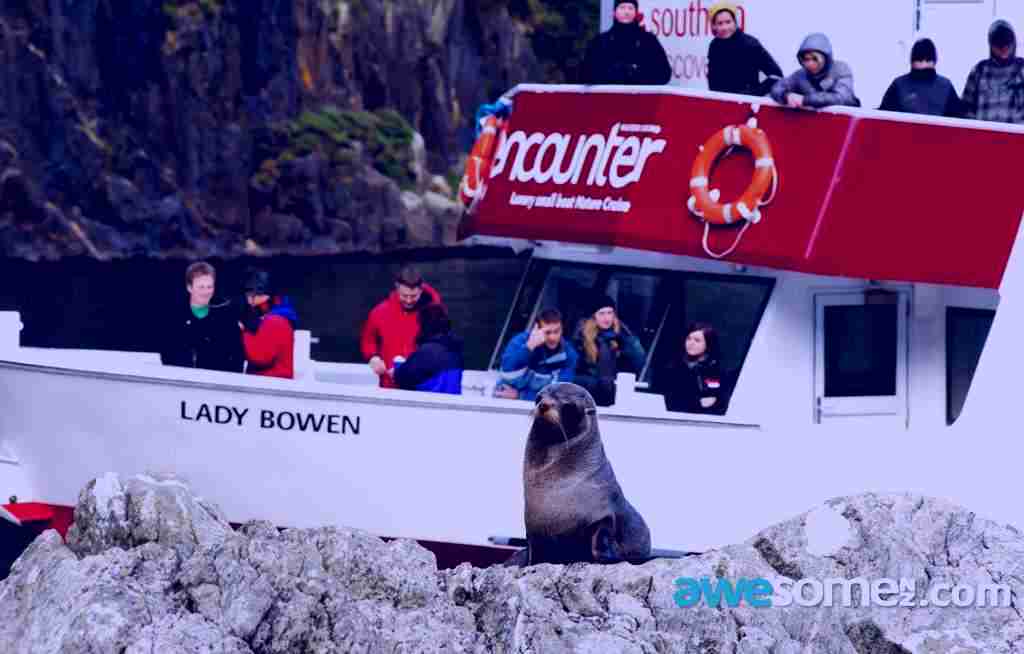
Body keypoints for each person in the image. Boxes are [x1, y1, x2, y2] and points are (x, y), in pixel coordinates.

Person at [360, 266, 444, 389]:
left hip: (422, 387)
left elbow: (442, 348)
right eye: (404, 296)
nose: (409, 300)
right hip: (389, 385)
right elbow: (368, 340)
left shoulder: (434, 314)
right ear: (397, 288)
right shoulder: (379, 312)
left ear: (421, 290)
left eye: (413, 296)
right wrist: (373, 357)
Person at [160, 261, 244, 373]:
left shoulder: (225, 317)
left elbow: (237, 355)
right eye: (201, 287)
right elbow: (167, 353)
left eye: (209, 287)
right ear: (189, 288)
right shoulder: (174, 317)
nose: (206, 292)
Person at [572, 294, 646, 407]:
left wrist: (629, 339)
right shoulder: (580, 339)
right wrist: (594, 383)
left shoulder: (621, 336)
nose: (606, 318)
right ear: (593, 316)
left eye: (610, 312)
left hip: (615, 398)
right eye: (601, 313)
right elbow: (572, 373)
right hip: (587, 399)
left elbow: (638, 362)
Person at [580, 0, 672, 86]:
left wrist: (635, 74)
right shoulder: (601, 41)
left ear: (636, 12)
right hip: (608, 99)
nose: (626, 12)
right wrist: (613, 74)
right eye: (622, 8)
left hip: (641, 99)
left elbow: (664, 74)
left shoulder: (648, 40)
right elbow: (585, 74)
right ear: (614, 12)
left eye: (630, 8)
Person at [495, 308, 579, 401]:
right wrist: (529, 347)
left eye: (556, 331)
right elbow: (507, 368)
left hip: (537, 405)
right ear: (537, 329)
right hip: (504, 397)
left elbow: (559, 393)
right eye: (547, 332)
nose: (553, 337)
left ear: (562, 329)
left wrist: (520, 395)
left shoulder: (569, 355)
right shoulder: (520, 341)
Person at [706, 2, 782, 96]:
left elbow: (776, 75)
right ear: (714, 26)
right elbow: (713, 81)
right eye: (720, 23)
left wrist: (754, 93)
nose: (725, 27)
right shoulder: (714, 46)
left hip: (747, 104)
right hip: (722, 104)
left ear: (735, 22)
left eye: (728, 22)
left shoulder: (750, 44)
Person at [771, 33, 859, 109]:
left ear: (826, 58)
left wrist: (805, 100)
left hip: (846, 122)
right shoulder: (801, 75)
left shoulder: (841, 69)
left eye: (815, 58)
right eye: (806, 59)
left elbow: (841, 98)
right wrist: (786, 96)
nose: (810, 63)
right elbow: (777, 88)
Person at [879, 38, 963, 118]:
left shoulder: (945, 86)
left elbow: (957, 119)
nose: (924, 64)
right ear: (912, 61)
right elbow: (884, 116)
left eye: (928, 60)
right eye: (919, 60)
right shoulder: (899, 85)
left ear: (934, 61)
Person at [962, 20, 1024, 124]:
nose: (1003, 49)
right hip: (983, 137)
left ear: (1013, 43)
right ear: (991, 45)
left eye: (1007, 45)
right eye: (999, 46)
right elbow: (965, 108)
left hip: (1016, 137)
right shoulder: (979, 71)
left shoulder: (1022, 69)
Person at [654, 323, 724, 415]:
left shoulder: (714, 370)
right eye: (689, 338)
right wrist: (698, 403)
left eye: (697, 340)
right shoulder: (673, 367)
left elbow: (717, 397)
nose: (691, 343)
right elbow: (669, 398)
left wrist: (714, 399)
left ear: (708, 343)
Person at [239, 269, 297, 379]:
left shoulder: (275, 321)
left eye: (252, 296)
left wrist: (244, 331)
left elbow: (259, 357)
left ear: (266, 296)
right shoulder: (279, 316)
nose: (249, 302)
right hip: (271, 382)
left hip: (272, 386)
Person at [394, 304, 464, 395]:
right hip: (451, 403)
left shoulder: (427, 351)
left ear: (424, 325)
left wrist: (397, 367)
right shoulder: (454, 349)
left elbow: (402, 378)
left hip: (431, 404)